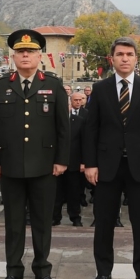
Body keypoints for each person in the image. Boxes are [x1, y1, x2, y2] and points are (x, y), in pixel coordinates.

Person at [0, 29, 68, 279]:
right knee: (13, 222)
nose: (25, 55)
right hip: (9, 165)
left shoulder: (53, 85)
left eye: (30, 51)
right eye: (20, 51)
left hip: (44, 165)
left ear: (39, 55)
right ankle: (14, 270)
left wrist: (61, 160)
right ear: (13, 56)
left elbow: (63, 128)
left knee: (43, 221)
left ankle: (42, 270)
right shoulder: (1, 86)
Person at [84, 37, 140, 279]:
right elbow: (91, 129)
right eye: (120, 54)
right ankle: (103, 273)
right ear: (112, 59)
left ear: (136, 59)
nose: (125, 58)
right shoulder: (100, 89)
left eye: (129, 54)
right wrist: (90, 164)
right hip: (107, 166)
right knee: (104, 223)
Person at [54, 91, 87, 227]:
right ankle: (55, 217)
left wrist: (84, 162)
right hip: (56, 164)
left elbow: (84, 142)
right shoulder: (53, 122)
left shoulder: (79, 121)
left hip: (74, 163)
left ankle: (75, 217)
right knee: (56, 194)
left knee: (74, 193)